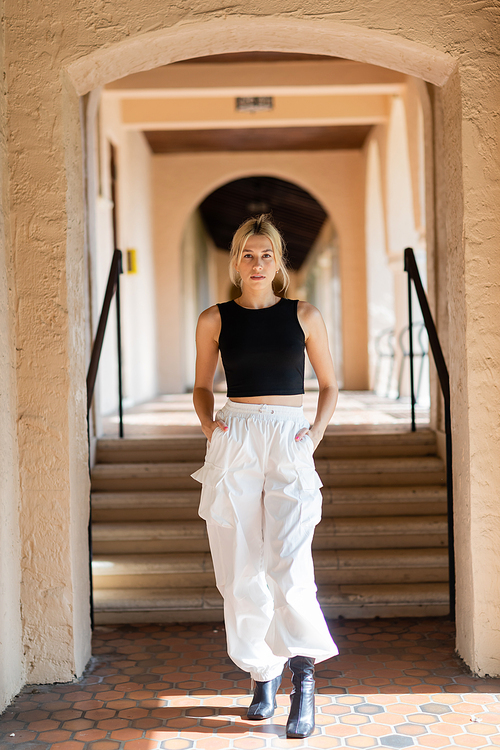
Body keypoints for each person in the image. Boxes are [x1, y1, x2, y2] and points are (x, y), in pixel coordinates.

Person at [191, 214, 339, 739]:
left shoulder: (304, 315)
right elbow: (204, 386)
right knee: (239, 568)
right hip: (236, 438)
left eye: (266, 255)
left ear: (279, 262)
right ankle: (262, 674)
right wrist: (211, 428)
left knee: (290, 562)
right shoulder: (214, 318)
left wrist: (314, 435)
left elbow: (329, 384)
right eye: (248, 255)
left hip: (288, 437)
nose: (257, 263)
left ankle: (303, 679)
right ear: (235, 261)